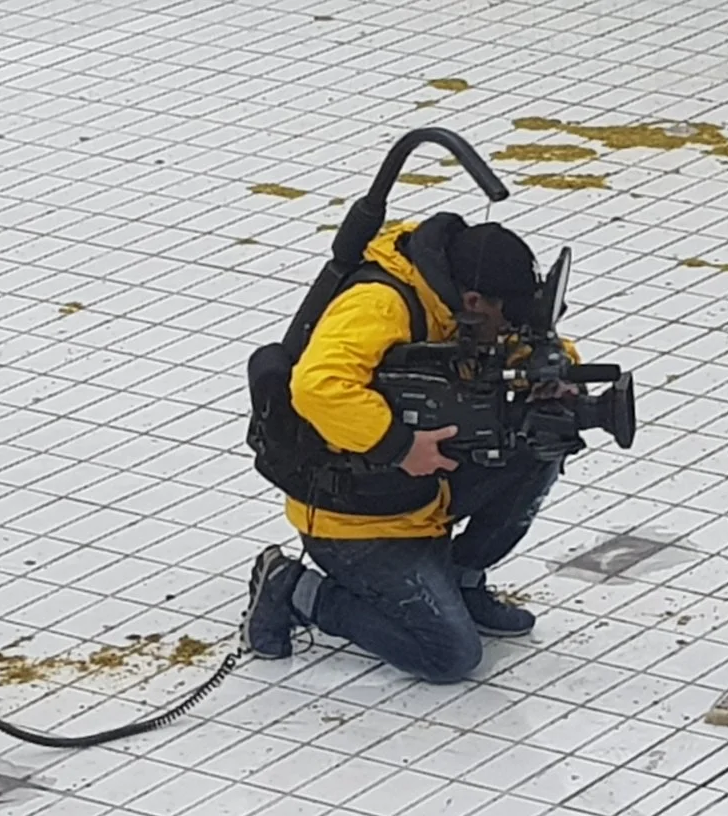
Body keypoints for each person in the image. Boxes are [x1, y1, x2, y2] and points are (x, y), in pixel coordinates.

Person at [242, 214, 567, 683]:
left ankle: (462, 580)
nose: (507, 331)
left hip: (422, 488)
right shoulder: (381, 305)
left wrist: (551, 375)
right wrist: (400, 445)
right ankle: (295, 589)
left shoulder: (459, 304)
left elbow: (514, 345)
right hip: (356, 515)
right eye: (505, 319)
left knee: (540, 443)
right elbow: (316, 387)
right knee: (450, 657)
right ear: (475, 301)